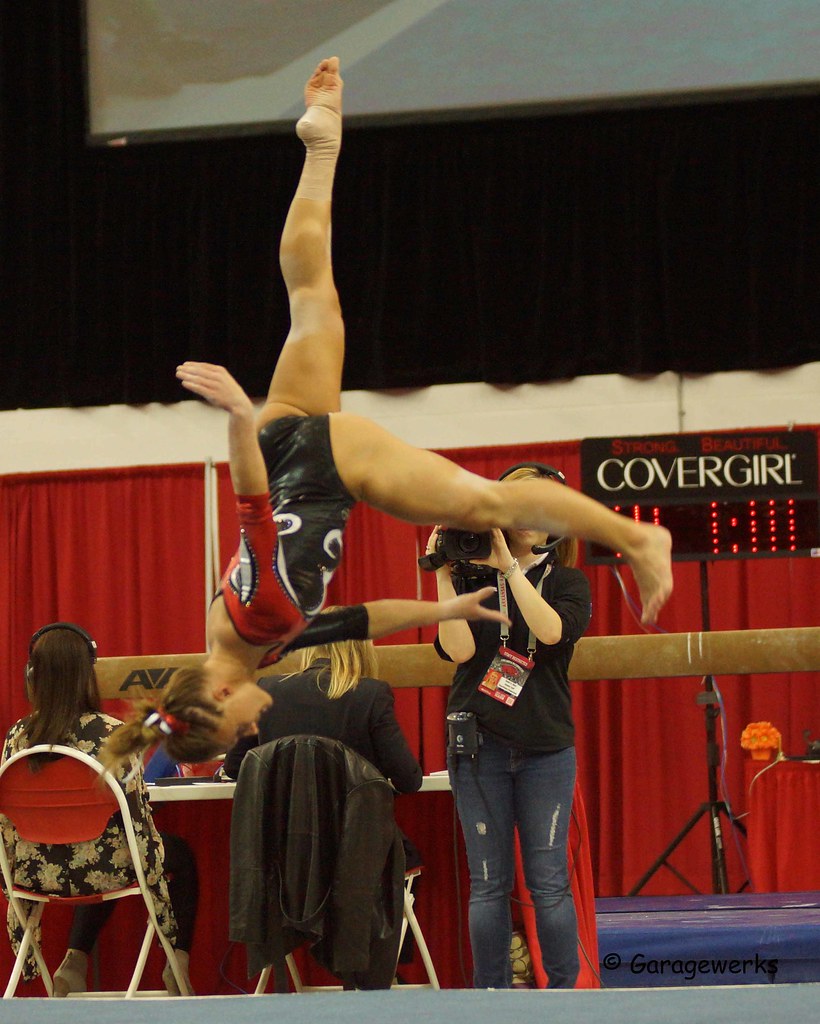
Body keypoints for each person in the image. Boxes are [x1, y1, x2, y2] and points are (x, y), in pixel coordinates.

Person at [102, 56, 671, 769]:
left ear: (216, 699)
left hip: (324, 463)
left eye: (233, 733)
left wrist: (237, 418)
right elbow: (358, 620)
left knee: (487, 502)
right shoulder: (239, 636)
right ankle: (322, 146)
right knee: (312, 292)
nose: (251, 731)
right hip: (290, 442)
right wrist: (442, 612)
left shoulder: (263, 622)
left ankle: (639, 539)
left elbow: (251, 514)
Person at [429, 462, 592, 989]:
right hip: (479, 747)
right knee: (488, 883)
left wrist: (511, 569)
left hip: (545, 748)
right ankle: (489, 999)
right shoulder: (469, 579)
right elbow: (457, 650)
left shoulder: (568, 582)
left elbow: (548, 634)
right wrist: (440, 572)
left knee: (547, 881)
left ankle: (564, 995)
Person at [0, 623, 198, 997]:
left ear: (33, 677)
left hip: (32, 876)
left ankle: (74, 961)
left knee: (91, 847)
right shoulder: (113, 734)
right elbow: (138, 822)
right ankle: (176, 962)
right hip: (104, 869)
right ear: (88, 676)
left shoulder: (16, 737)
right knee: (173, 854)